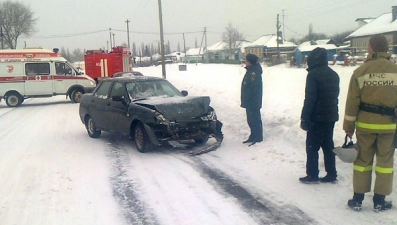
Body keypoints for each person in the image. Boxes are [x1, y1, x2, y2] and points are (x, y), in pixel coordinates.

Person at [343, 34, 397, 212]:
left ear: (372, 48)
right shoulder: (395, 70)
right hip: (389, 126)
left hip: (365, 125)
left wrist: (348, 127)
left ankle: (358, 199)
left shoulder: (360, 72)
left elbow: (352, 102)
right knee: (385, 163)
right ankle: (379, 201)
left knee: (362, 161)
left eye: (368, 46)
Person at [299, 47, 340, 184]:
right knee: (328, 145)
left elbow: (310, 98)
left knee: (312, 146)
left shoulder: (313, 75)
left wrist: (305, 117)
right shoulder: (334, 74)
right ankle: (331, 173)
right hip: (331, 116)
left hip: (316, 117)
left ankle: (312, 174)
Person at [241, 53, 263, 146]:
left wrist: (249, 100)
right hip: (249, 101)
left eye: (246, 61)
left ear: (250, 62)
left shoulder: (254, 73)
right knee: (250, 119)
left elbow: (253, 89)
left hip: (253, 101)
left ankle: (258, 137)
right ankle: (253, 135)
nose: (245, 62)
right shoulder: (250, 71)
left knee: (255, 119)